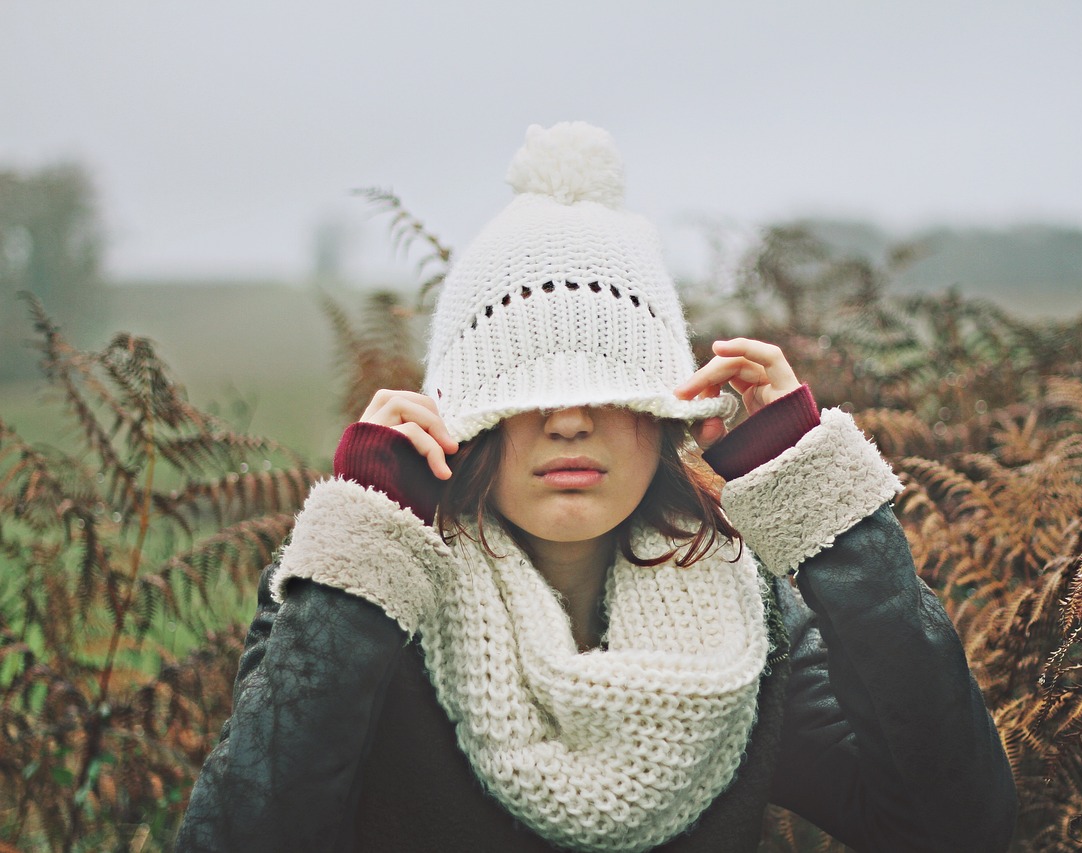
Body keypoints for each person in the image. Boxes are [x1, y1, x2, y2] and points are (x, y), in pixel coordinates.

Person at [175, 122, 1017, 852]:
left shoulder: (748, 629)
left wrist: (821, 501)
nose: (568, 420)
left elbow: (954, 826)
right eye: (524, 390)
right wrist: (361, 552)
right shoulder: (362, 605)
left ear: (663, 417)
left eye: (609, 388)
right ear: (467, 423)